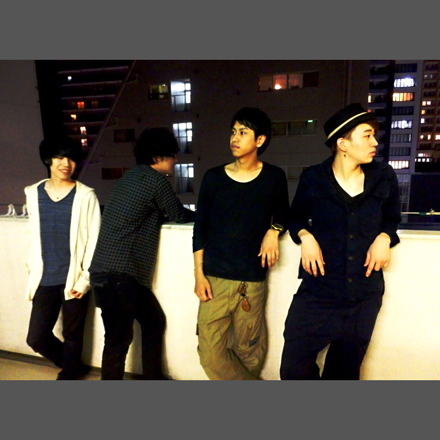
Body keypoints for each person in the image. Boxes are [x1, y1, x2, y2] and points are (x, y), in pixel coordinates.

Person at [280, 103, 402, 380]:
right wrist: (305, 236)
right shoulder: (314, 177)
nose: (375, 142)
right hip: (319, 290)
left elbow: (392, 219)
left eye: (374, 135)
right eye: (367, 135)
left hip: (363, 294)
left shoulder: (384, 176)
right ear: (342, 144)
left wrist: (385, 237)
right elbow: (295, 218)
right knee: (293, 367)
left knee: (344, 374)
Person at [89, 127, 195, 380]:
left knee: (153, 321)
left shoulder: (130, 177)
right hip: (119, 276)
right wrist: (207, 216)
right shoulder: (155, 180)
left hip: (109, 273)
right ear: (158, 156)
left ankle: (153, 378)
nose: (175, 160)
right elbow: (178, 214)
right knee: (117, 342)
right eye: (172, 155)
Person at [193, 107, 289, 380]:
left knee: (249, 350)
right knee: (209, 353)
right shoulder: (213, 178)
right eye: (233, 131)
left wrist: (273, 232)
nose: (234, 138)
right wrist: (199, 274)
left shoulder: (273, 177)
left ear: (260, 140)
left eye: (243, 132)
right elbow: (200, 228)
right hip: (215, 278)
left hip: (252, 280)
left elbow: (284, 215)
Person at [25, 137, 101, 380]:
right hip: (44, 277)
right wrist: (31, 265)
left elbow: (94, 241)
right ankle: (73, 365)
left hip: (74, 278)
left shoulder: (86, 196)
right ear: (48, 160)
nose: (66, 163)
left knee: (73, 334)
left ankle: (69, 373)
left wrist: (85, 280)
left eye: (71, 158)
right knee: (36, 337)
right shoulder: (33, 193)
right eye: (59, 157)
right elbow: (33, 234)